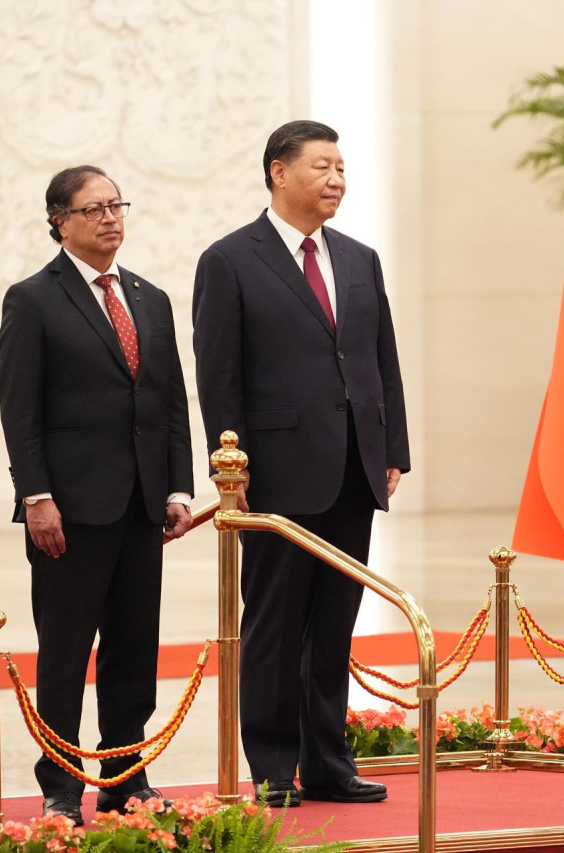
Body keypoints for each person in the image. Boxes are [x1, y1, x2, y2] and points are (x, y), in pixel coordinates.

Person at [192, 120, 410, 807]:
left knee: (334, 622)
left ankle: (327, 762)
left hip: (354, 466)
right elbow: (218, 374)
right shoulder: (229, 259)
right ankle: (273, 766)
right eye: (323, 165)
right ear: (279, 172)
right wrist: (232, 466)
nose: (337, 178)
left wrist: (393, 449)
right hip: (276, 470)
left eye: (342, 167)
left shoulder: (359, 257)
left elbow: (383, 363)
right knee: (276, 622)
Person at [0, 165, 195, 825]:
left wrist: (177, 485)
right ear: (60, 219)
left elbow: (168, 401)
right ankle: (59, 786)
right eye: (95, 208)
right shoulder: (34, 299)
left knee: (135, 648)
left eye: (117, 205)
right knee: (64, 652)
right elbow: (19, 412)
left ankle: (125, 777)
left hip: (141, 505)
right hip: (69, 511)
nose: (111, 218)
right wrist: (36, 496)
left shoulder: (150, 297)